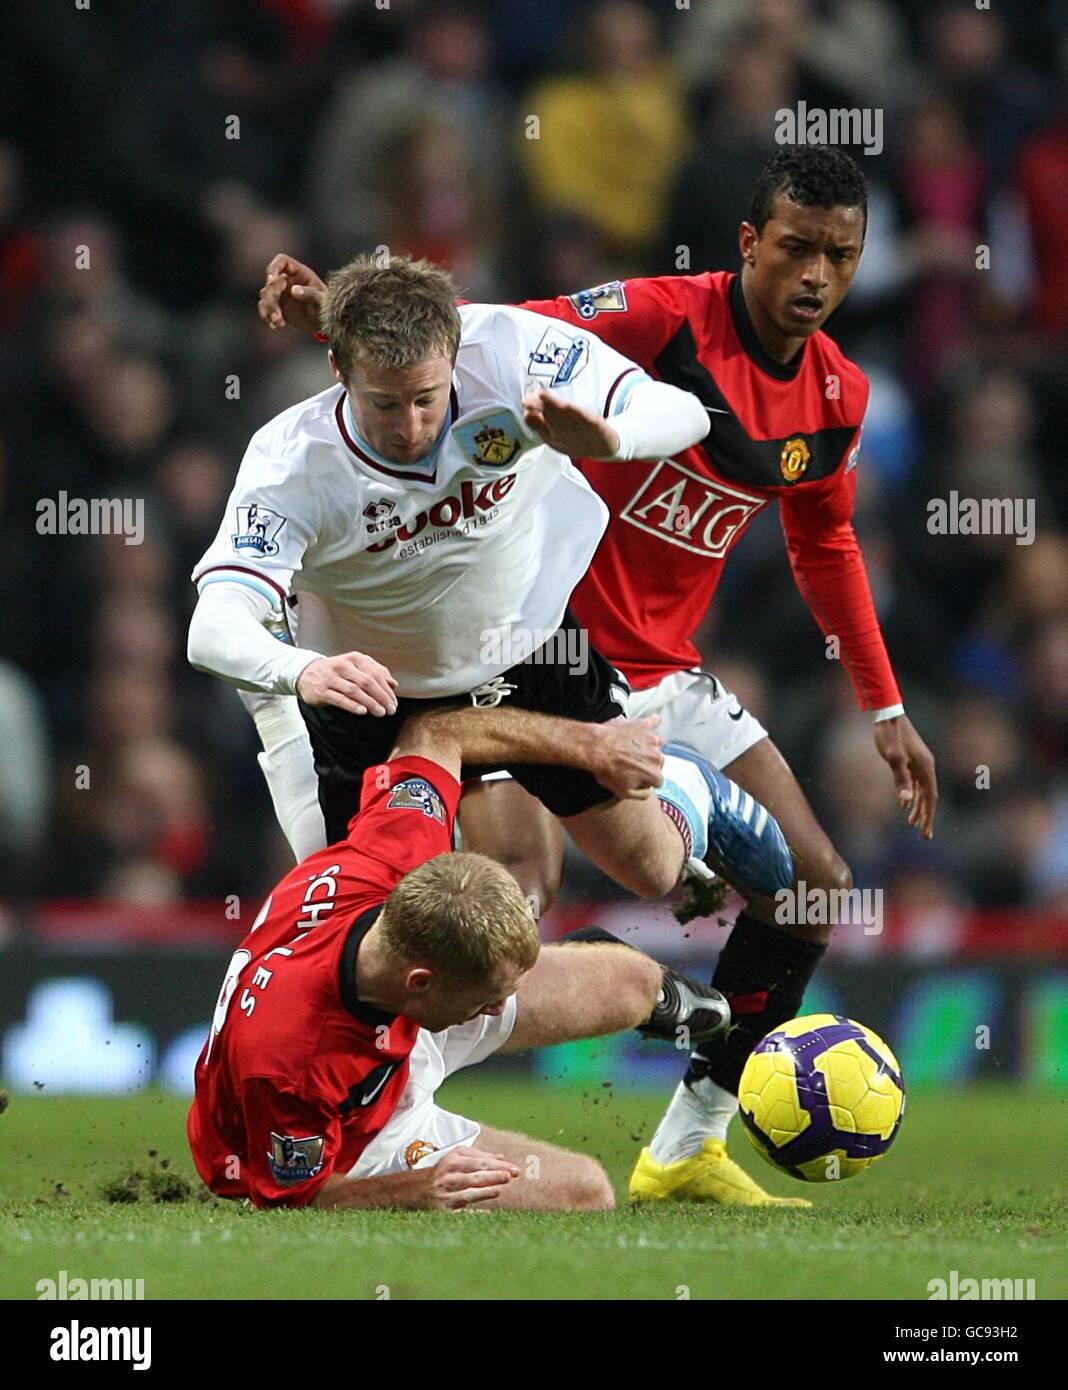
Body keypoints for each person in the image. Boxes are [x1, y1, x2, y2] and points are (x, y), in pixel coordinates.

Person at [257, 145, 938, 1208]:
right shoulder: (653, 317)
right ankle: (395, 1105)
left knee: (812, 889)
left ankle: (685, 1149)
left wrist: (885, 705)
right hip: (548, 657)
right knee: (512, 912)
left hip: (671, 671)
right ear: (749, 244)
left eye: (840, 257)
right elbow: (476, 338)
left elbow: (828, 548)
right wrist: (334, 323)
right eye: (795, 248)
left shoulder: (836, 397)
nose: (815, 275)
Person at [189, 253, 794, 918]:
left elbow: (685, 412)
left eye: (427, 398)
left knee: (651, 867)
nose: (410, 428)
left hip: (528, 652)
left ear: (456, 349)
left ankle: (692, 787)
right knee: (383, 923)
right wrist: (300, 671)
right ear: (338, 367)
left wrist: (611, 435)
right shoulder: (291, 465)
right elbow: (214, 624)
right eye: (384, 404)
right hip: (371, 697)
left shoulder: (510, 351)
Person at [188, 703, 730, 1211]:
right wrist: (411, 1189)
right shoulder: (289, 1063)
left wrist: (591, 745)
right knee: (586, 1192)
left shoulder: (395, 851)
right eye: (489, 998)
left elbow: (437, 733)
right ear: (423, 981)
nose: (498, 1009)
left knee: (634, 984)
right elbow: (291, 1195)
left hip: (402, 1013)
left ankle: (643, 987)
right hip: (359, 1131)